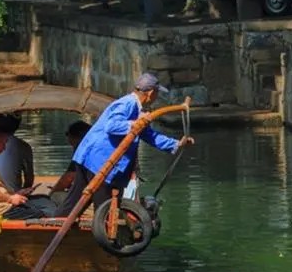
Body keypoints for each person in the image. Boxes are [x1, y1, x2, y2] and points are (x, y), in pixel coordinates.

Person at [62, 73, 194, 213]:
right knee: (103, 209)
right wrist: (135, 123)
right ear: (150, 93)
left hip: (92, 159)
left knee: (76, 204)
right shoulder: (128, 103)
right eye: (156, 93)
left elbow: (148, 135)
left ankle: (57, 228)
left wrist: (176, 144)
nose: (156, 97)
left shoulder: (138, 109)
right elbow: (111, 126)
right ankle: (63, 230)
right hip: (98, 160)